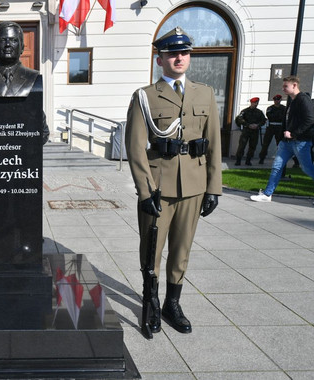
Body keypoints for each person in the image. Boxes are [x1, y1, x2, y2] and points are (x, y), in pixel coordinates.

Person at [125, 27, 222, 335]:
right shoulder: (145, 96)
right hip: (158, 188)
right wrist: (144, 191)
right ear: (160, 59)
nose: (179, 58)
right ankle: (151, 300)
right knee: (151, 250)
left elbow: (214, 142)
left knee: (181, 250)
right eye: (172, 54)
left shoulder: (204, 93)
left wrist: (213, 187)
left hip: (193, 187)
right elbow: (135, 146)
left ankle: (172, 304)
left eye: (184, 53)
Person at [0, 21, 49, 143]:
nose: (8, 45)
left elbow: (42, 133)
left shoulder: (33, 77)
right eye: (2, 40)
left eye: (14, 40)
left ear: (22, 47)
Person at [250, 75, 314, 202]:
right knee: (277, 167)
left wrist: (294, 134)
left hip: (300, 141)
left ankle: (267, 194)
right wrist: (281, 139)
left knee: (307, 168)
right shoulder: (292, 101)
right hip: (287, 143)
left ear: (294, 85)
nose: (283, 88)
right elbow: (286, 121)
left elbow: (310, 119)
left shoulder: (304, 100)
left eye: (286, 86)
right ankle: (267, 194)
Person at [234, 97, 266, 166]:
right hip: (246, 131)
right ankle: (238, 160)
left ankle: (248, 160)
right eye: (254, 103)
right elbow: (240, 119)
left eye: (257, 103)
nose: (256, 104)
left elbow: (263, 120)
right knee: (242, 146)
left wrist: (257, 125)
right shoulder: (245, 111)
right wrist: (248, 125)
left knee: (252, 146)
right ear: (251, 103)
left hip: (255, 131)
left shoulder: (259, 112)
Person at [258, 94, 286, 164]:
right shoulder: (270, 108)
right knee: (265, 144)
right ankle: (262, 158)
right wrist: (278, 116)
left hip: (280, 127)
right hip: (271, 127)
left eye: (278, 100)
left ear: (280, 100)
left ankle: (280, 159)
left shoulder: (284, 108)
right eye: (275, 100)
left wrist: (278, 117)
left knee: (280, 144)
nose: (276, 101)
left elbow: (284, 117)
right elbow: (270, 116)